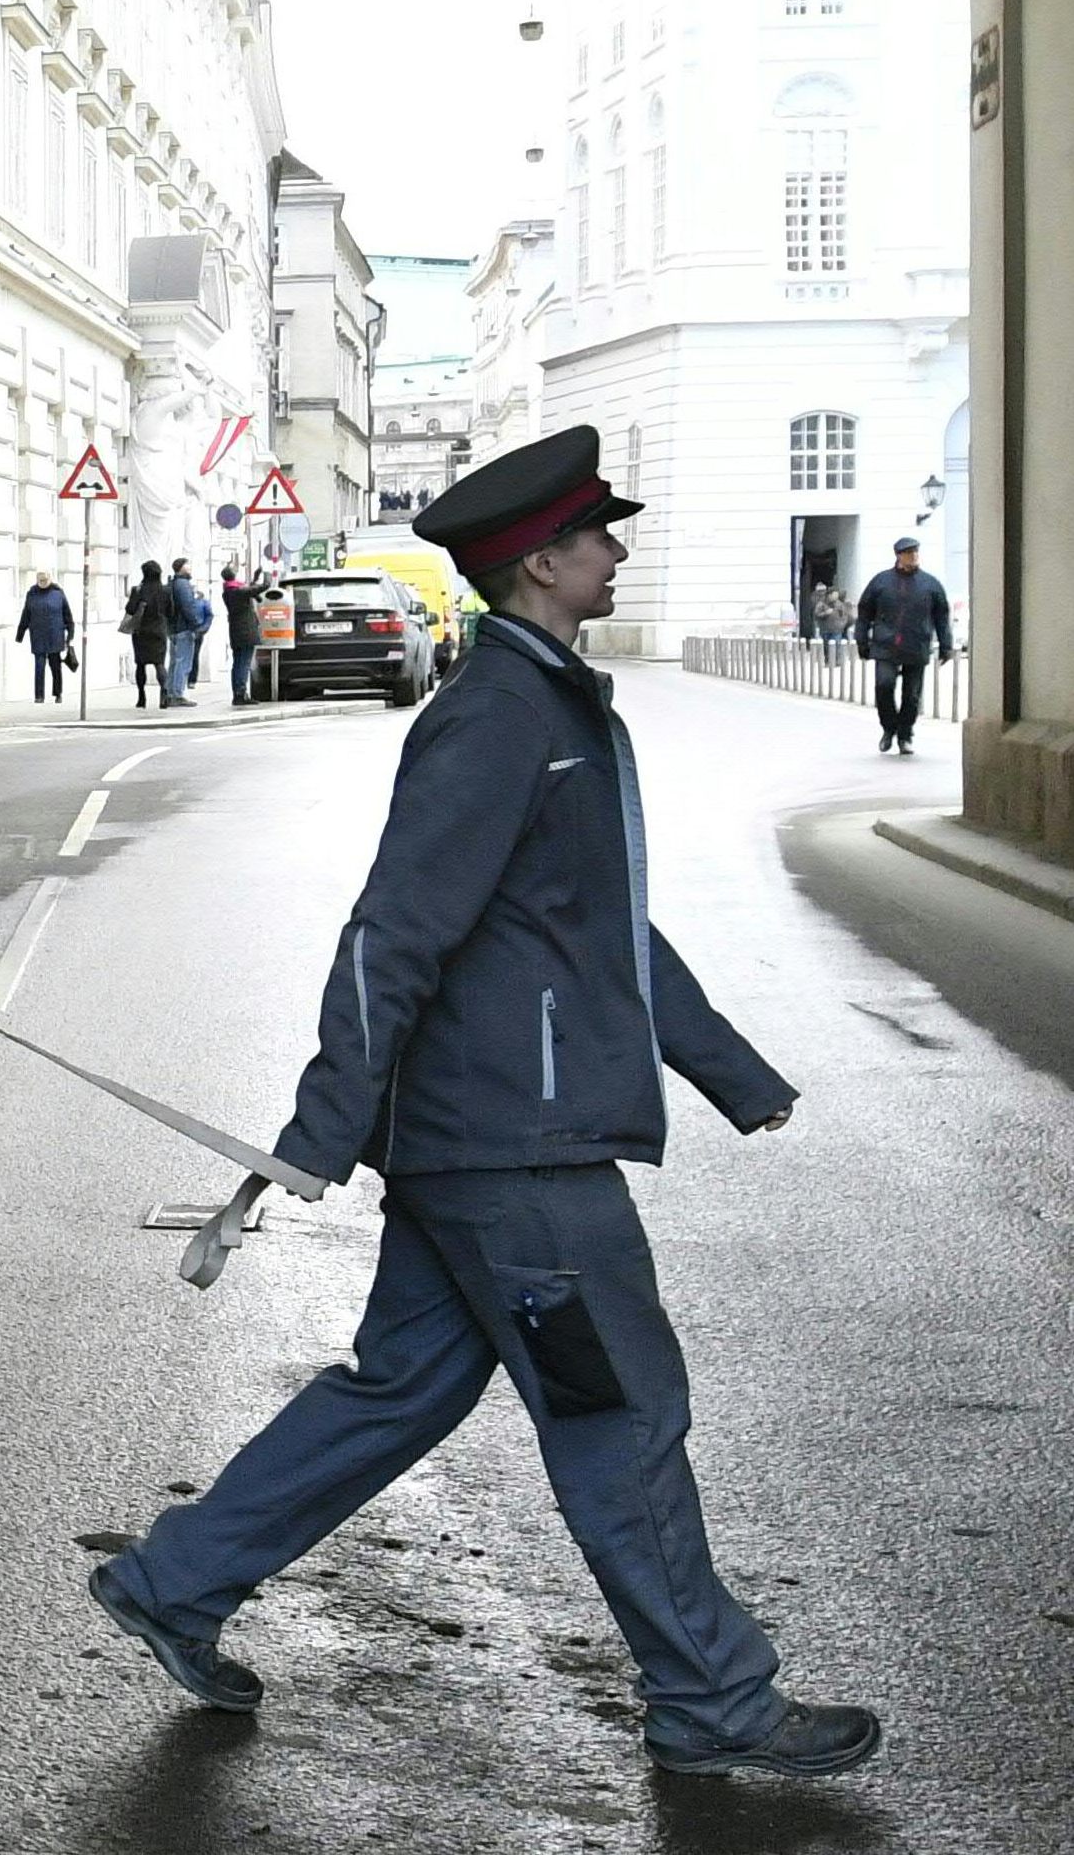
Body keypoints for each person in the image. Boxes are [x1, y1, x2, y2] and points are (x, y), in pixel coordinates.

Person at [89, 424, 878, 1782]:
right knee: (618, 1410)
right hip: (516, 1152)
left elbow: (595, 928)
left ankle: (177, 1581)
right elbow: (392, 929)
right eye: (598, 536)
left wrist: (731, 1072)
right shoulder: (501, 717)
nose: (617, 551)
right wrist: (317, 1134)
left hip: (494, 1137)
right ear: (538, 564)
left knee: (397, 1390)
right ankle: (710, 1695)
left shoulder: (547, 698)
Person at [852, 537, 953, 756]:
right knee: (884, 686)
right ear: (898, 556)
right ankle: (889, 728)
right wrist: (862, 639)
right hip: (885, 645)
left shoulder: (930, 584)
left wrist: (946, 645)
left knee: (912, 695)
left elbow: (942, 617)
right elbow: (864, 611)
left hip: (916, 645)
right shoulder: (881, 582)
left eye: (915, 553)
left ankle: (905, 735)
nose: (913, 557)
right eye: (908, 553)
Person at [14, 570, 75, 704]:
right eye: (40, 580)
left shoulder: (58, 593)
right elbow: (26, 614)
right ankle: (39, 695)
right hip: (38, 635)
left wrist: (70, 635)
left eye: (45, 580)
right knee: (39, 667)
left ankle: (58, 693)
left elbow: (67, 615)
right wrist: (20, 634)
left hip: (55, 635)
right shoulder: (32, 594)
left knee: (55, 666)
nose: (42, 583)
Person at [122, 559, 173, 710]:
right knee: (159, 664)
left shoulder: (138, 590)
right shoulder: (165, 591)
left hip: (141, 632)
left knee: (141, 664)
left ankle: (141, 696)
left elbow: (130, 609)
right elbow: (171, 611)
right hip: (159, 631)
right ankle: (164, 694)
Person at [164, 558, 212, 709]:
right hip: (184, 628)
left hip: (173, 628)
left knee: (174, 662)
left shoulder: (172, 583)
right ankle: (177, 694)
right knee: (183, 663)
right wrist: (196, 625)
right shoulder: (183, 585)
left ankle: (171, 693)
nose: (190, 567)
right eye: (187, 565)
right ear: (180, 567)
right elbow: (188, 607)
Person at [220, 566, 262, 705]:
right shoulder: (236, 591)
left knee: (238, 662)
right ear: (233, 575)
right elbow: (256, 590)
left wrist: (255, 578)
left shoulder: (229, 590)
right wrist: (268, 577)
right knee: (243, 663)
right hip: (246, 632)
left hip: (236, 631)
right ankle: (241, 694)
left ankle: (238, 692)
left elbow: (248, 590)